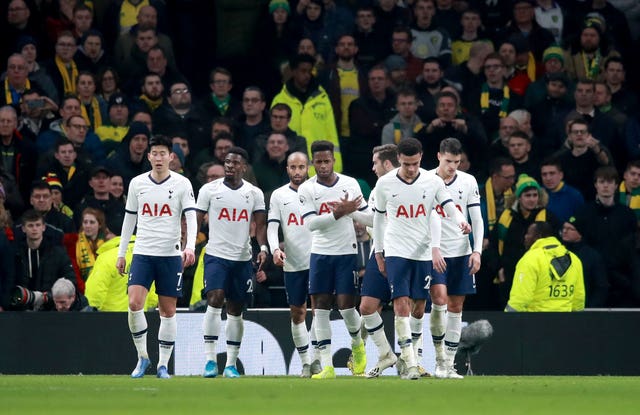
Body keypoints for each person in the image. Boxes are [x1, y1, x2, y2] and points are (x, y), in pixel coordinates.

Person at [373, 138, 470, 380]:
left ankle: (432, 361)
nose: (411, 169)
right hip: (396, 250)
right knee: (401, 303)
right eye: (406, 164)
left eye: (415, 163)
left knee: (419, 307)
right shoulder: (385, 183)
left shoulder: (432, 181)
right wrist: (378, 251)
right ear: (399, 160)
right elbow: (378, 218)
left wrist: (460, 221)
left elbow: (448, 206)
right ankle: (410, 363)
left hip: (423, 251)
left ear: (421, 158)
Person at [116, 134, 197, 379]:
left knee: (168, 311)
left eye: (164, 153)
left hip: (170, 255)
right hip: (142, 253)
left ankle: (163, 364)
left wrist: (190, 246)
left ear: (171, 156)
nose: (159, 158)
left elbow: (191, 217)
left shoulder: (182, 184)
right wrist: (121, 253)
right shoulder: (137, 183)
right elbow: (129, 218)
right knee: (134, 303)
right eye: (155, 154)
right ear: (149, 156)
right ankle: (143, 358)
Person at [297, 140, 368, 379]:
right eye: (319, 162)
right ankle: (326, 365)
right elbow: (311, 224)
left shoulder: (349, 184)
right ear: (312, 163)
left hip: (346, 252)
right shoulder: (307, 189)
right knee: (320, 308)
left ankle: (358, 345)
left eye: (327, 161)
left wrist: (353, 211)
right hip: (319, 253)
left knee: (347, 307)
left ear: (333, 160)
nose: (323, 165)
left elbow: (366, 217)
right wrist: (338, 212)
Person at [196, 146, 267, 379]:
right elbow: (196, 220)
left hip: (242, 258)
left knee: (235, 309)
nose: (230, 166)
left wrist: (263, 248)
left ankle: (230, 364)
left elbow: (260, 225)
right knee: (215, 298)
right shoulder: (209, 190)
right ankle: (209, 361)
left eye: (235, 163)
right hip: (216, 255)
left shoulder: (254, 193)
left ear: (243, 167)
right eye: (227, 162)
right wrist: (188, 247)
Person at [428, 138, 483, 379]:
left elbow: (477, 219)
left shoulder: (468, 181)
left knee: (456, 306)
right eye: (448, 161)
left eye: (457, 162)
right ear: (439, 156)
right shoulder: (426, 180)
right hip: (434, 252)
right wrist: (432, 247)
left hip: (461, 252)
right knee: (439, 302)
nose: (452, 166)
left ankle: (448, 365)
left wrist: (477, 250)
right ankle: (437, 359)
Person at [267, 151, 317, 377]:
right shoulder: (278, 195)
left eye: (301, 167)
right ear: (287, 169)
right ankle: (306, 362)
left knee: (320, 310)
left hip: (319, 259)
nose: (298, 172)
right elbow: (271, 227)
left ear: (308, 168)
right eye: (293, 167)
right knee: (298, 312)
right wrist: (275, 249)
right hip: (294, 262)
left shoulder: (318, 191)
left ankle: (316, 360)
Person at [356, 144, 400, 378]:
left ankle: (414, 359)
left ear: (386, 163)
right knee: (367, 306)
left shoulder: (409, 185)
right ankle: (386, 355)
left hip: (406, 253)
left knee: (411, 307)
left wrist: (349, 212)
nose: (372, 167)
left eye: (375, 163)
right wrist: (350, 211)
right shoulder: (377, 189)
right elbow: (374, 220)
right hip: (379, 252)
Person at [271, 53, 341, 173]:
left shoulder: (322, 98)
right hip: (290, 169)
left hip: (319, 168)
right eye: (303, 71)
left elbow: (331, 134)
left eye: (310, 71)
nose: (307, 75)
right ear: (293, 71)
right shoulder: (280, 100)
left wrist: (337, 165)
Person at [505, 221, 585, 312]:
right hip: (565, 322)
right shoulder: (574, 259)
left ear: (538, 236)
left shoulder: (530, 259)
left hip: (535, 322)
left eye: (528, 233)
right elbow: (578, 299)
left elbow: (521, 298)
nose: (525, 237)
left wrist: (507, 320)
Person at [11, 209, 76, 311]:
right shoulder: (14, 253)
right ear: (23, 228)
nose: (34, 229)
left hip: (50, 309)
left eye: (38, 225)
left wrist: (48, 297)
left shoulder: (58, 253)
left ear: (44, 227)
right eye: (30, 225)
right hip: (20, 309)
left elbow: (70, 281)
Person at [561, 216, 609, 308]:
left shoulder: (592, 256)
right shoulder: (557, 252)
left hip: (584, 310)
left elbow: (601, 286)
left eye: (570, 229)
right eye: (564, 228)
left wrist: (590, 308)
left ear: (580, 233)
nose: (564, 231)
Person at [76, 207, 106, 281]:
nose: (87, 225)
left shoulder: (108, 242)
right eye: (85, 222)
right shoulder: (74, 242)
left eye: (92, 222)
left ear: (100, 225)